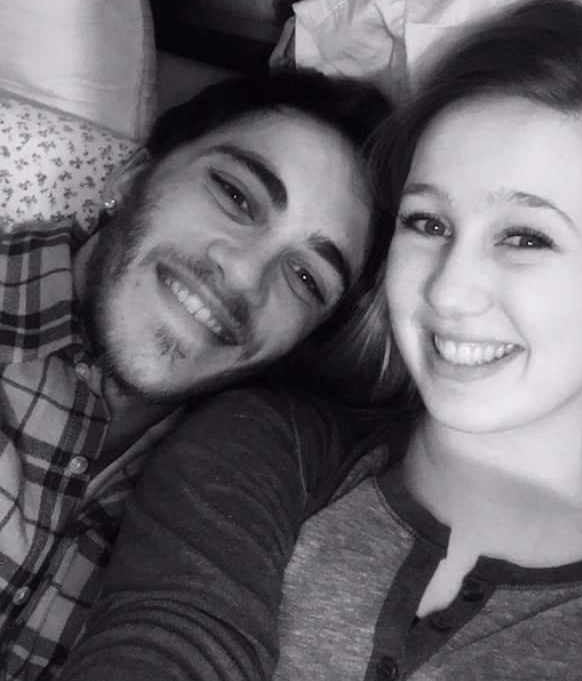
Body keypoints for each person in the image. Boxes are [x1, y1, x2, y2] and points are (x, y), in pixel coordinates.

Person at [59, 0, 582, 679]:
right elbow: (171, 641)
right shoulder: (263, 446)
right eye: (428, 223)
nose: (447, 291)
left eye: (526, 237)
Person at [0, 68, 392, 680]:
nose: (243, 274)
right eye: (235, 196)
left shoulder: (240, 498)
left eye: (306, 277)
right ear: (132, 177)